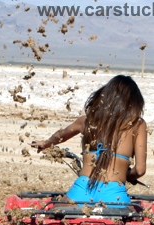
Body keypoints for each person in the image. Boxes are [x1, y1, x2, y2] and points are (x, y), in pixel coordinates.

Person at [31, 75, 147, 204]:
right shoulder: (138, 125)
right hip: (115, 193)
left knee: (55, 214)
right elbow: (140, 170)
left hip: (82, 189)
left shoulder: (87, 121)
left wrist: (46, 143)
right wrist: (125, 174)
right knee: (130, 220)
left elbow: (61, 135)